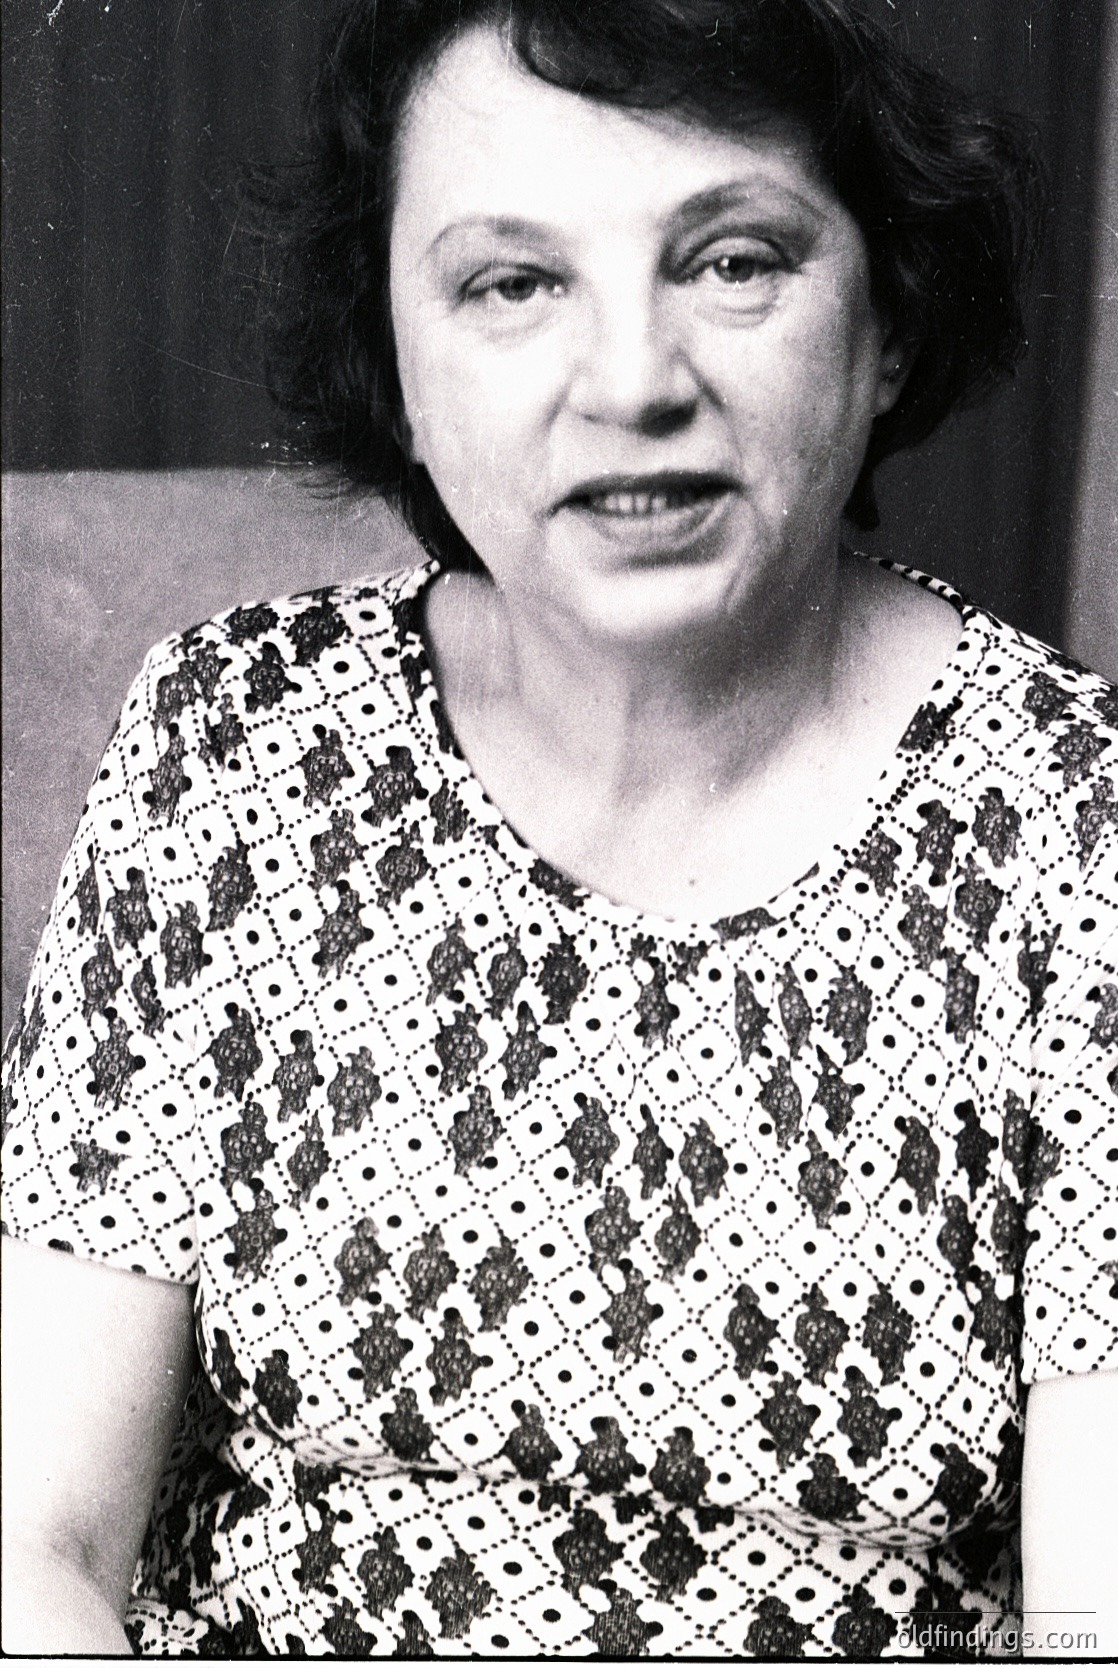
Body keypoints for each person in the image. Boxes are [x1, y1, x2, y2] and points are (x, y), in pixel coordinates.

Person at [3, 0, 1116, 1656]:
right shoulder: (232, 739)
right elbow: (41, 1532)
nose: (631, 383)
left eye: (732, 260)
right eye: (513, 283)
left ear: (883, 322)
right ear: (395, 358)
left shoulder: (1071, 824)